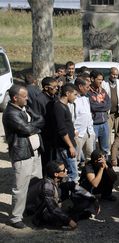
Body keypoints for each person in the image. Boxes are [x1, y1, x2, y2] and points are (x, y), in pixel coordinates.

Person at [2, 84, 44, 229]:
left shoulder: (25, 107)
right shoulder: (10, 113)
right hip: (22, 154)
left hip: (34, 152)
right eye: (24, 97)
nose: (27, 99)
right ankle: (15, 217)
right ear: (15, 98)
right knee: (20, 187)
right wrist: (35, 126)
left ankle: (29, 207)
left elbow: (41, 119)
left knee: (35, 182)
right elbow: (26, 129)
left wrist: (33, 126)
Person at [28, 161, 77, 229]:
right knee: (63, 217)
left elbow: (72, 185)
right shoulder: (47, 186)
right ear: (56, 174)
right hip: (40, 212)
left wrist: (90, 196)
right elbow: (52, 207)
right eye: (63, 170)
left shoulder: (57, 179)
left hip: (48, 206)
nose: (66, 170)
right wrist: (69, 221)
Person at [53, 83, 79, 182]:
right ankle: (72, 195)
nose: (76, 97)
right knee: (73, 174)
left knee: (70, 170)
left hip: (69, 143)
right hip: (65, 146)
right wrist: (70, 146)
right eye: (75, 94)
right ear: (68, 93)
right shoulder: (59, 107)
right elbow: (62, 130)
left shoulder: (65, 105)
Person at [34, 77, 59, 172]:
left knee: (55, 159)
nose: (56, 89)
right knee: (47, 160)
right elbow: (37, 119)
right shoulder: (39, 100)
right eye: (54, 87)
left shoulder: (55, 97)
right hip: (46, 135)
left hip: (55, 134)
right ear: (46, 88)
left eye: (57, 87)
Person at [72, 77, 95, 166]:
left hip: (88, 132)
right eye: (87, 86)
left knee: (90, 156)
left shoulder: (86, 99)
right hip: (78, 134)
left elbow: (88, 115)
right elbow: (71, 118)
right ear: (80, 86)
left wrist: (91, 131)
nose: (89, 89)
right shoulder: (73, 100)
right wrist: (74, 131)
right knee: (76, 158)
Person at [89, 70, 111, 155]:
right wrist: (103, 105)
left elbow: (108, 105)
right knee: (92, 148)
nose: (101, 81)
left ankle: (105, 165)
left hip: (104, 123)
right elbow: (92, 107)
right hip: (94, 124)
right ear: (92, 79)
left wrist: (101, 106)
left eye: (102, 79)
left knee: (105, 148)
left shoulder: (103, 91)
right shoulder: (88, 92)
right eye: (98, 79)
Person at [102, 67, 119, 135]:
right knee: (107, 133)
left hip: (118, 113)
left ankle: (117, 146)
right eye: (113, 74)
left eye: (116, 75)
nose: (115, 76)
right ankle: (108, 146)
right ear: (109, 74)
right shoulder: (104, 84)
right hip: (108, 113)